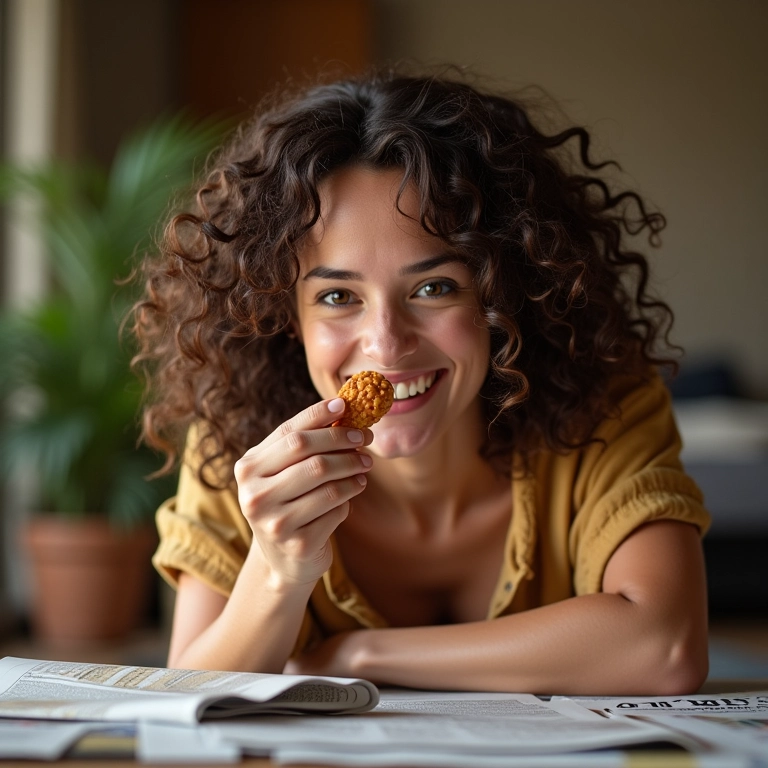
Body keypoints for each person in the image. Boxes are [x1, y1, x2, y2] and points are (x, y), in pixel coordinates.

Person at [130, 69, 710, 695]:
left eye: (434, 287)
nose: (386, 344)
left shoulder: (606, 406)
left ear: (500, 292)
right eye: (337, 296)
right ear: (288, 315)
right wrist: (278, 573)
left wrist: (357, 655)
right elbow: (191, 692)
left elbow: (665, 646)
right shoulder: (240, 443)